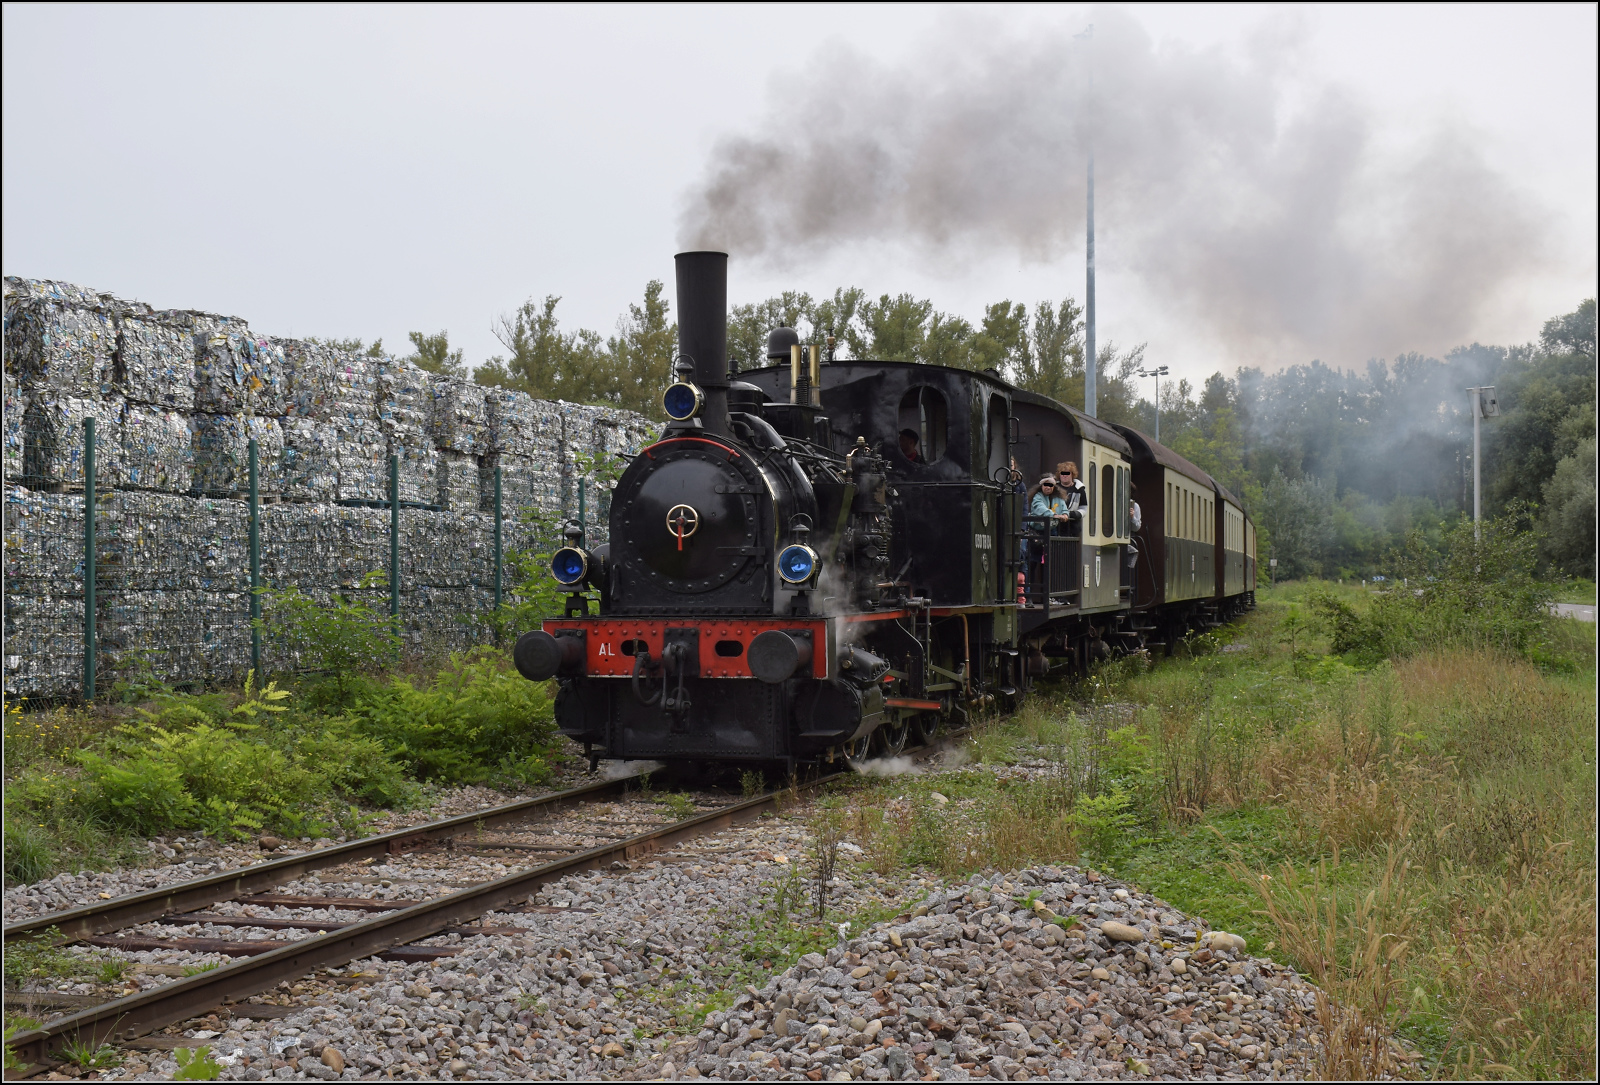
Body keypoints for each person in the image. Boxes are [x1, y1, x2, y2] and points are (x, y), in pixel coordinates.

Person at [1055, 462, 1088, 529]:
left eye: (1067, 473)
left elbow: (1083, 508)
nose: (1064, 476)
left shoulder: (1079, 489)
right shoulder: (1054, 488)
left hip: (1072, 526)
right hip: (1055, 526)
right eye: (1062, 473)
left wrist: (1073, 514)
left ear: (1072, 475)